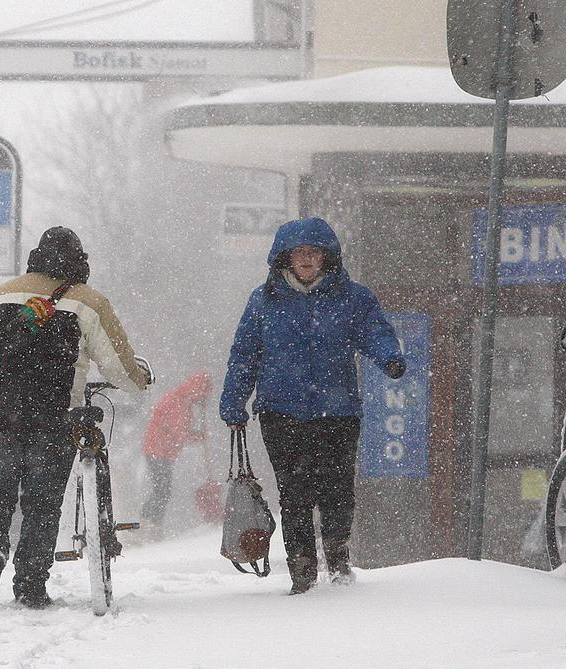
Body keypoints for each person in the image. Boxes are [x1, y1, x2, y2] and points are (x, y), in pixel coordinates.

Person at [219, 216, 405, 595]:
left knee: (337, 491)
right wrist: (234, 401)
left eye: (313, 252)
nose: (305, 259)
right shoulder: (263, 301)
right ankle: (301, 569)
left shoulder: (353, 298)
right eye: (298, 252)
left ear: (326, 257)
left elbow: (374, 332)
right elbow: (244, 355)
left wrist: (389, 357)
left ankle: (337, 556)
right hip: (280, 413)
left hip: (337, 413)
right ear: (284, 258)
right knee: (294, 493)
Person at [0, 226, 149, 608]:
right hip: (53, 416)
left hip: (0, 411)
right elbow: (118, 367)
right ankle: (31, 582)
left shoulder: (2, 293)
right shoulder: (88, 301)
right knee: (42, 502)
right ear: (79, 262)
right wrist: (139, 380)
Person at [139, 370, 212, 531]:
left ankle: (150, 524)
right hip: (157, 451)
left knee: (163, 490)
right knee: (162, 491)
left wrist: (197, 435)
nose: (202, 400)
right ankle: (147, 524)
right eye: (202, 396)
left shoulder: (183, 400)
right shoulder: (177, 402)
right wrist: (198, 436)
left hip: (162, 452)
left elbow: (179, 432)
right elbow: (179, 433)